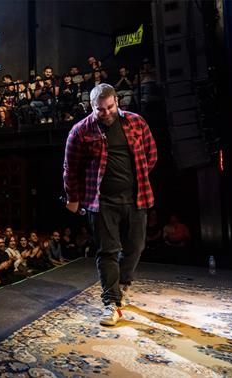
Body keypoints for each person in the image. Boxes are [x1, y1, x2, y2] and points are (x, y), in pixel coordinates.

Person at [63, 83, 157, 326]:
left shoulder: (137, 122)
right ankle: (111, 303)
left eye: (110, 107)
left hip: (137, 198)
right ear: (91, 107)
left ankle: (123, 283)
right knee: (108, 251)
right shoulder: (80, 131)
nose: (106, 113)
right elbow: (70, 169)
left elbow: (151, 154)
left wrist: (139, 178)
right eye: (100, 109)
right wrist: (73, 198)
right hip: (101, 201)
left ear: (117, 102)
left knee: (136, 247)